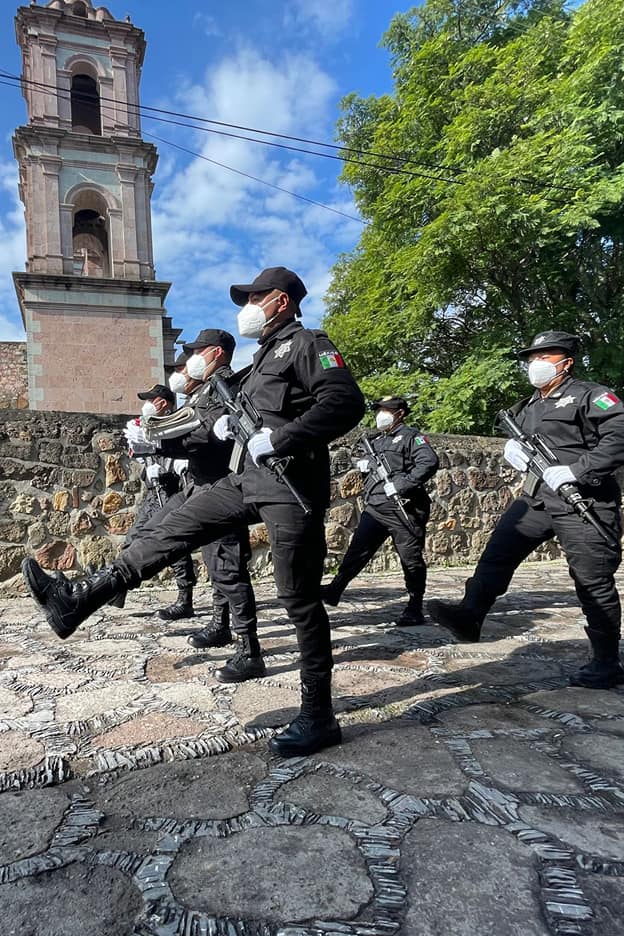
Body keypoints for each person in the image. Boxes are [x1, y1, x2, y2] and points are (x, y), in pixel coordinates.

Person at [22, 266, 366, 757]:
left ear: (281, 302)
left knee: (298, 598)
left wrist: (283, 436)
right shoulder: (260, 360)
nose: (247, 305)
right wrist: (184, 434)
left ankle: (318, 714)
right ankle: (78, 598)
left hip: (292, 485)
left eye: (255, 296)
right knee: (174, 527)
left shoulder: (308, 344)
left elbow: (345, 401)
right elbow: (212, 426)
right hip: (246, 479)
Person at [428, 330, 624, 689]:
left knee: (592, 579)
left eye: (545, 357)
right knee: (497, 555)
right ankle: (470, 616)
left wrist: (578, 469)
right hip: (536, 499)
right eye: (532, 358)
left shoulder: (590, 395)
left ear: (566, 362)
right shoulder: (527, 405)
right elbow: (516, 435)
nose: (535, 364)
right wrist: (512, 448)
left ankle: (607, 661)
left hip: (583, 498)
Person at [155, 332, 260, 679]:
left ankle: (248, 646)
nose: (190, 361)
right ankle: (220, 624)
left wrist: (164, 443)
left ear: (216, 352)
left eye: (196, 352)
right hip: (203, 487)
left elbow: (205, 437)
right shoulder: (207, 389)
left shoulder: (227, 386)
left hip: (223, 487)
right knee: (216, 564)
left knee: (228, 568)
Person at [322, 396, 438, 625]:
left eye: (386, 410)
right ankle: (335, 590)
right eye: (379, 410)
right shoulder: (376, 441)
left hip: (404, 508)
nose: (380, 414)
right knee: (357, 552)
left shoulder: (411, 438)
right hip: (376, 507)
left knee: (410, 559)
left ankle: (415, 606)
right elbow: (365, 461)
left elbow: (429, 462)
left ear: (400, 413)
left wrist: (402, 483)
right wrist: (363, 464)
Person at [117, 383, 196, 619]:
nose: (147, 404)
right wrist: (146, 470)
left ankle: (185, 598)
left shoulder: (177, 424)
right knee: (133, 538)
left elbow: (184, 460)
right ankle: (116, 588)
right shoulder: (148, 426)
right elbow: (148, 460)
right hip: (154, 493)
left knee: (176, 547)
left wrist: (164, 469)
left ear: (163, 403)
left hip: (172, 493)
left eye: (151, 399)